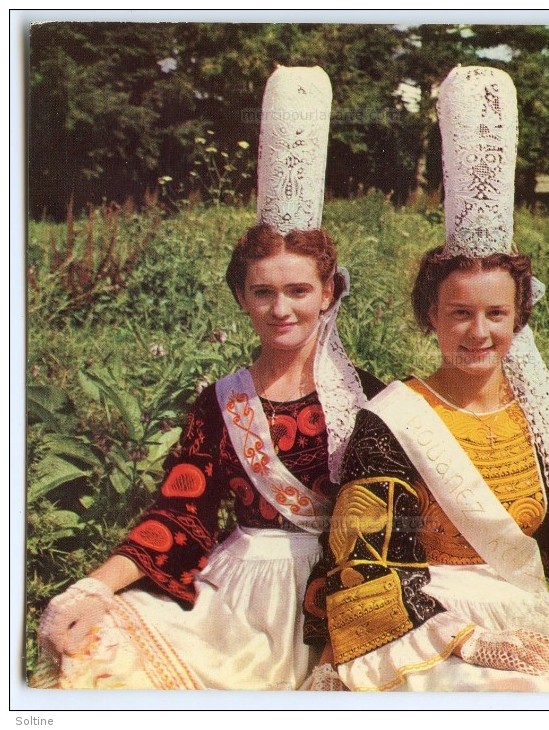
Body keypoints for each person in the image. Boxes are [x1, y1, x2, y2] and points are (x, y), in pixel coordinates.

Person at [35, 66, 383, 690]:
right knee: (104, 650)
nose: (283, 310)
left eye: (299, 290)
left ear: (329, 292)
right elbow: (181, 514)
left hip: (345, 596)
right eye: (264, 292)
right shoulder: (221, 403)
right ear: (242, 298)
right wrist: (89, 586)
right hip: (234, 600)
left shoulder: (370, 396)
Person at [303, 66, 549, 693]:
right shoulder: (391, 420)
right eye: (459, 313)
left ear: (519, 320)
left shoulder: (534, 414)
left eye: (496, 314)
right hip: (430, 625)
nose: (478, 332)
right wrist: (470, 640)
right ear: (431, 317)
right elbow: (364, 566)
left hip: (527, 609)